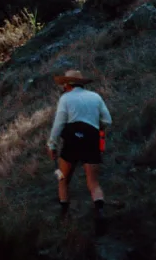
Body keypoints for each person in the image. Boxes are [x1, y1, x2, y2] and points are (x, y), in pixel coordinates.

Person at [48, 69, 112, 224]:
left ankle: (64, 216)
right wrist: (95, 128)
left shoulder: (66, 98)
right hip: (91, 139)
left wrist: (52, 144)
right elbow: (107, 120)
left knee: (63, 179)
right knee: (93, 182)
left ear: (68, 85)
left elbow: (59, 124)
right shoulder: (95, 97)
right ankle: (100, 212)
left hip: (72, 140)